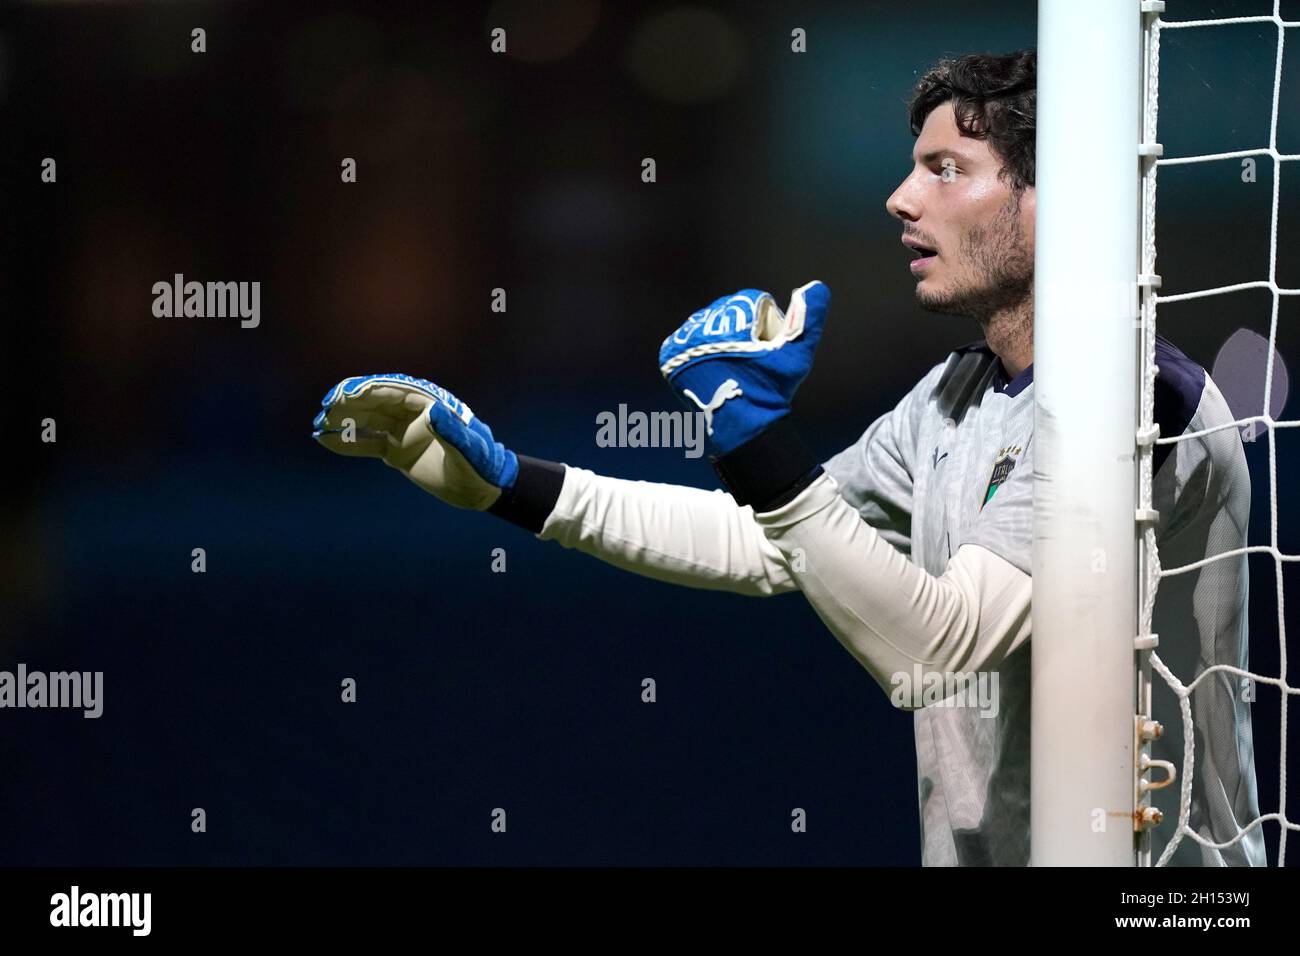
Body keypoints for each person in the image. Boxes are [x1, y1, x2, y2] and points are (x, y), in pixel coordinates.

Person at [313, 51, 1264, 867]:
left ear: (1049, 197)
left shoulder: (1135, 409)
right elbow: (771, 541)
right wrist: (512, 487)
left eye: (945, 168)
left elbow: (933, 652)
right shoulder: (951, 399)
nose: (901, 199)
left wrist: (762, 441)